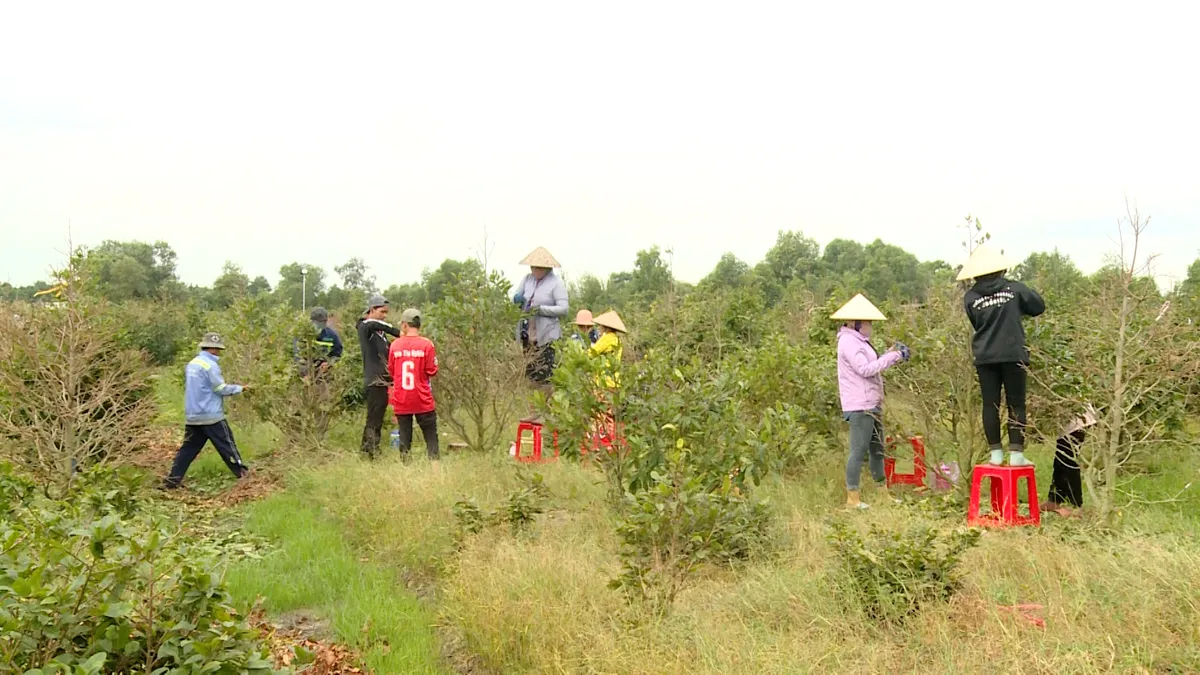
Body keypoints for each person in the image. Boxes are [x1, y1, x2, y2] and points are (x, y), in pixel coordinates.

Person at [957, 244, 1046, 467]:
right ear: (1001, 269)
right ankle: (1016, 454)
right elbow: (1038, 306)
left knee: (990, 404)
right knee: (1016, 404)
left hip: (985, 356)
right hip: (1013, 353)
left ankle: (995, 454)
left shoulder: (970, 297)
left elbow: (977, 323)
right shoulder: (1014, 289)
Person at [833, 294, 910, 509]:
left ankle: (882, 493)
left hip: (871, 402)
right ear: (855, 323)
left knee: (878, 449)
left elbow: (871, 363)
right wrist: (893, 357)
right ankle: (852, 498)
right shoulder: (849, 341)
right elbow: (865, 369)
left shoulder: (859, 341)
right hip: (860, 404)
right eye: (867, 322)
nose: (870, 326)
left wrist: (890, 354)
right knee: (858, 450)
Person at [164, 332, 251, 489]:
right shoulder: (211, 366)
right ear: (213, 348)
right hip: (211, 416)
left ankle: (172, 480)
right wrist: (240, 388)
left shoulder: (192, 364)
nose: (218, 353)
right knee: (227, 445)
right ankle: (242, 474)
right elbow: (220, 388)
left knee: (188, 449)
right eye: (217, 349)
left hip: (193, 415)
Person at [513, 246, 569, 420]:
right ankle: (533, 412)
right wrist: (517, 299)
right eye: (532, 267)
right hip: (528, 334)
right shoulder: (527, 280)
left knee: (544, 375)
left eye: (538, 268)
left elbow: (564, 309)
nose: (534, 270)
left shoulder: (556, 283)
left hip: (546, 335)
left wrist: (541, 309)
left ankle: (544, 413)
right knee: (531, 375)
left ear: (546, 268)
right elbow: (517, 296)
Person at [389, 308, 440, 459]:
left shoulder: (395, 345)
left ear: (405, 325)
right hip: (422, 398)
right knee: (431, 435)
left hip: (402, 398)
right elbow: (432, 370)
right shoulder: (427, 345)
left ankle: (405, 468)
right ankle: (435, 469)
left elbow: (392, 371)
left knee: (404, 437)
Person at [356, 294, 401, 458]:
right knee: (374, 416)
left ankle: (367, 449)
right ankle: (371, 450)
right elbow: (372, 323)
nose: (384, 315)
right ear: (372, 310)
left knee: (377, 416)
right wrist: (398, 332)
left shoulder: (381, 335)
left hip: (383, 381)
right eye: (382, 312)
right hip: (374, 380)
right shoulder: (365, 327)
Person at [1043, 405, 1097, 517]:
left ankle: (1076, 505)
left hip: (1077, 419)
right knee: (1060, 462)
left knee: (1068, 462)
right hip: (1070, 419)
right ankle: (1055, 499)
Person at [590, 310, 626, 389]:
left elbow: (591, 353)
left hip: (604, 381)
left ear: (605, 327)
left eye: (600, 325)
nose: (599, 327)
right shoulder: (617, 339)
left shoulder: (607, 338)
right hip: (614, 380)